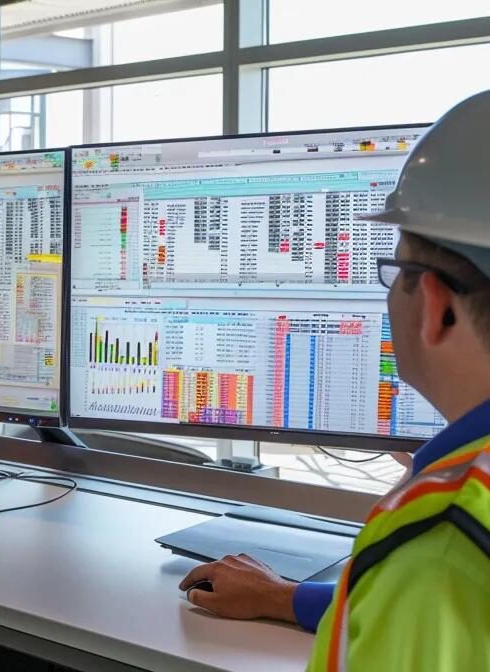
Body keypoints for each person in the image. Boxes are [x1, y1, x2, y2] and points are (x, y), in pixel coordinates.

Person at [180, 89, 490, 670]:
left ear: (435, 304)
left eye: (394, 269)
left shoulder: (439, 541)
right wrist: (289, 598)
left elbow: (430, 587)